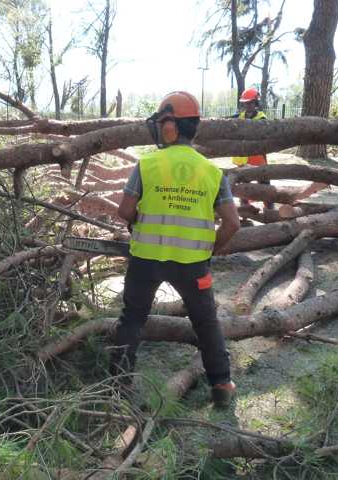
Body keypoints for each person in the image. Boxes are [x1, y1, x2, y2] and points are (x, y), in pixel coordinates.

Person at [110, 91, 240, 407]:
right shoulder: (211, 172)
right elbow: (233, 224)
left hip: (146, 260)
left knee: (132, 320)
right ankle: (221, 385)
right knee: (206, 323)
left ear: (171, 126)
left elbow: (124, 212)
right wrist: (211, 248)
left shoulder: (148, 164)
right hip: (193, 263)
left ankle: (116, 386)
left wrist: (141, 220)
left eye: (161, 122)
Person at [232, 88, 274, 211]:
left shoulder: (262, 118)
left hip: (257, 157)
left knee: (264, 183)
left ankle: (269, 208)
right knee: (243, 185)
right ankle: (245, 208)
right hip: (242, 158)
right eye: (246, 103)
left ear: (256, 103)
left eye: (250, 103)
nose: (248, 105)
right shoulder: (239, 116)